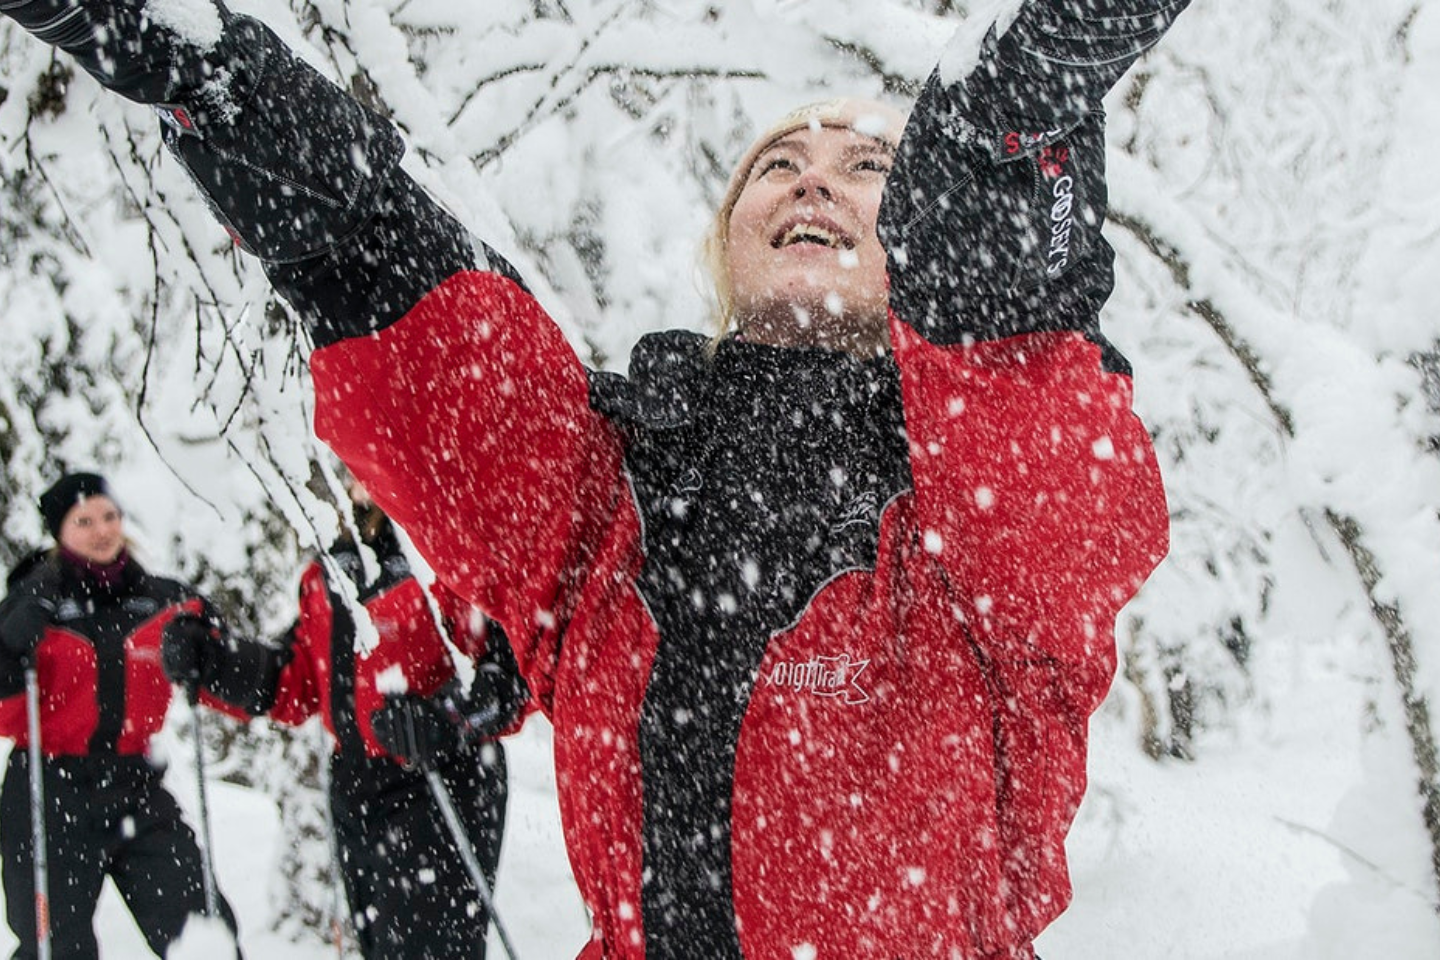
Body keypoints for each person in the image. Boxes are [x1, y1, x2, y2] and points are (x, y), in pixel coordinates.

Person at [1, 1, 1189, 956]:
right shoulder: (614, 484)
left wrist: (997, 150)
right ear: (727, 239)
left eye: (872, 165)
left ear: (924, 226)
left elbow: (1036, 446)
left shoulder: (980, 492)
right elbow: (393, 278)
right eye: (778, 162)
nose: (814, 181)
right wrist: (208, 79)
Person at [159, 485, 527, 960]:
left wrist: (449, 718)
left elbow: (514, 670)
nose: (359, 472)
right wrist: (214, 663)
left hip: (440, 781)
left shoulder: (443, 549)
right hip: (358, 787)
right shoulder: (333, 568)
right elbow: (298, 681)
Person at [0, 472, 244, 959]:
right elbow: (7, 717)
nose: (101, 530)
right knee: (54, 947)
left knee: (202, 933)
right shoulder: (35, 603)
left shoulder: (162, 601)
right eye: (83, 520)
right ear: (59, 532)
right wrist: (8, 650)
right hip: (50, 790)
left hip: (136, 786)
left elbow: (235, 683)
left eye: (109, 516)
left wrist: (205, 650)